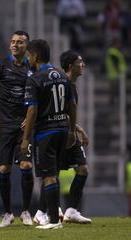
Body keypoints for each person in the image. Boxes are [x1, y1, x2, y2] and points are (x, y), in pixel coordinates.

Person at [21, 39, 77, 230]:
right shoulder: (62, 75)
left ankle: (53, 221)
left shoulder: (35, 78)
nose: (27, 58)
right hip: (62, 129)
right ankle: (51, 217)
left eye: (28, 55)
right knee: (53, 174)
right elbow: (72, 105)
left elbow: (32, 111)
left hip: (46, 132)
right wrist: (71, 130)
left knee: (48, 176)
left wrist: (26, 139)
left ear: (34, 56)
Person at [0, 31, 34, 227]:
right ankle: (7, 213)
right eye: (13, 42)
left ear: (26, 46)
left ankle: (27, 211)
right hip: (4, 126)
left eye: (20, 42)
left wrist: (31, 119)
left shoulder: (32, 69)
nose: (15, 45)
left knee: (26, 166)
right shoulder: (0, 66)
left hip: (23, 126)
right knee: (4, 168)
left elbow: (38, 98)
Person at [59, 50, 91, 223]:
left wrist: (79, 130)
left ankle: (70, 210)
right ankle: (45, 211)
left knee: (83, 169)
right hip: (59, 133)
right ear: (71, 66)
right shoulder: (62, 84)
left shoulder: (71, 85)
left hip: (69, 132)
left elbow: (66, 114)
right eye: (80, 62)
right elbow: (57, 112)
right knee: (51, 172)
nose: (83, 64)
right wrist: (74, 131)